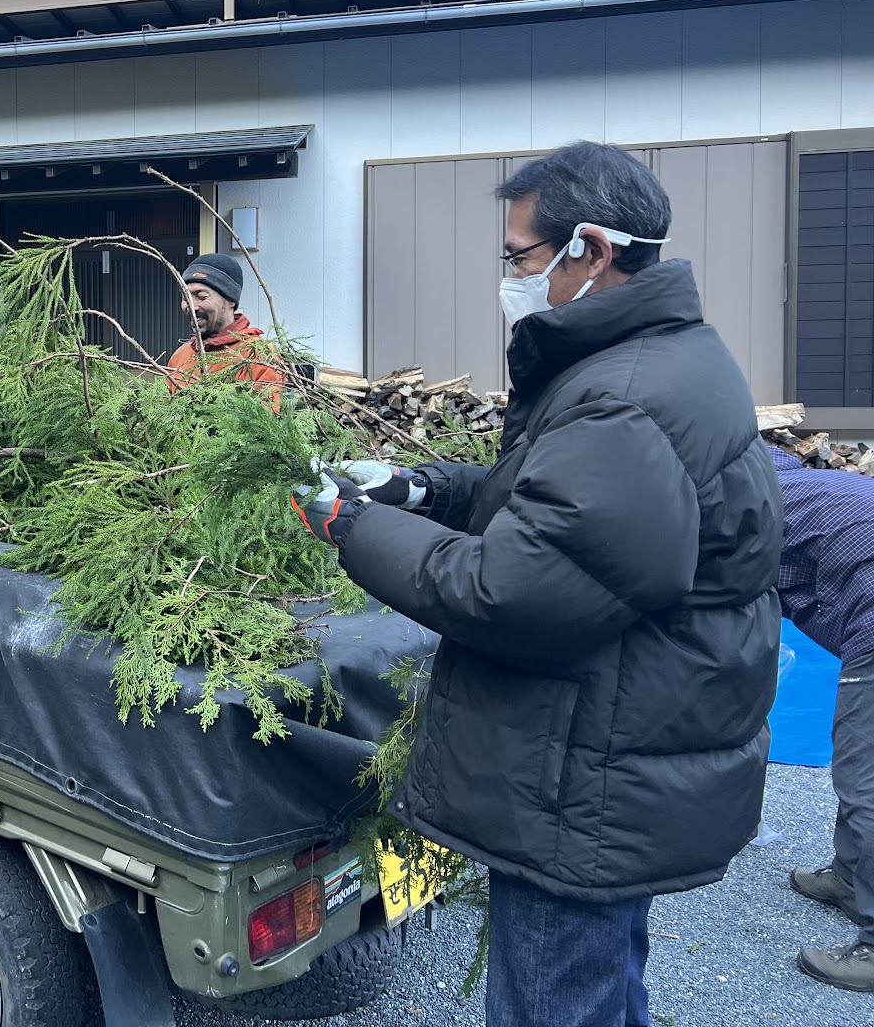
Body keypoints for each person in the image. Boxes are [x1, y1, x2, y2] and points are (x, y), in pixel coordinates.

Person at [294, 142, 781, 1027]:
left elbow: (506, 592)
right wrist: (419, 490)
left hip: (582, 778)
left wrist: (351, 526)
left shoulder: (624, 397)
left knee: (557, 999)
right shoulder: (661, 360)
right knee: (602, 986)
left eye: (519, 257)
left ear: (589, 250)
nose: (511, 278)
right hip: (619, 750)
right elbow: (564, 504)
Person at [771, 445, 874, 992]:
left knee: (865, 777)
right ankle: (852, 878)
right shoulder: (797, 482)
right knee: (862, 759)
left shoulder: (739, 508)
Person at [165, 251, 283, 407]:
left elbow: (265, 418)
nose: (191, 307)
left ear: (230, 300)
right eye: (185, 298)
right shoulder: (180, 356)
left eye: (202, 296)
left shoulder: (258, 355)